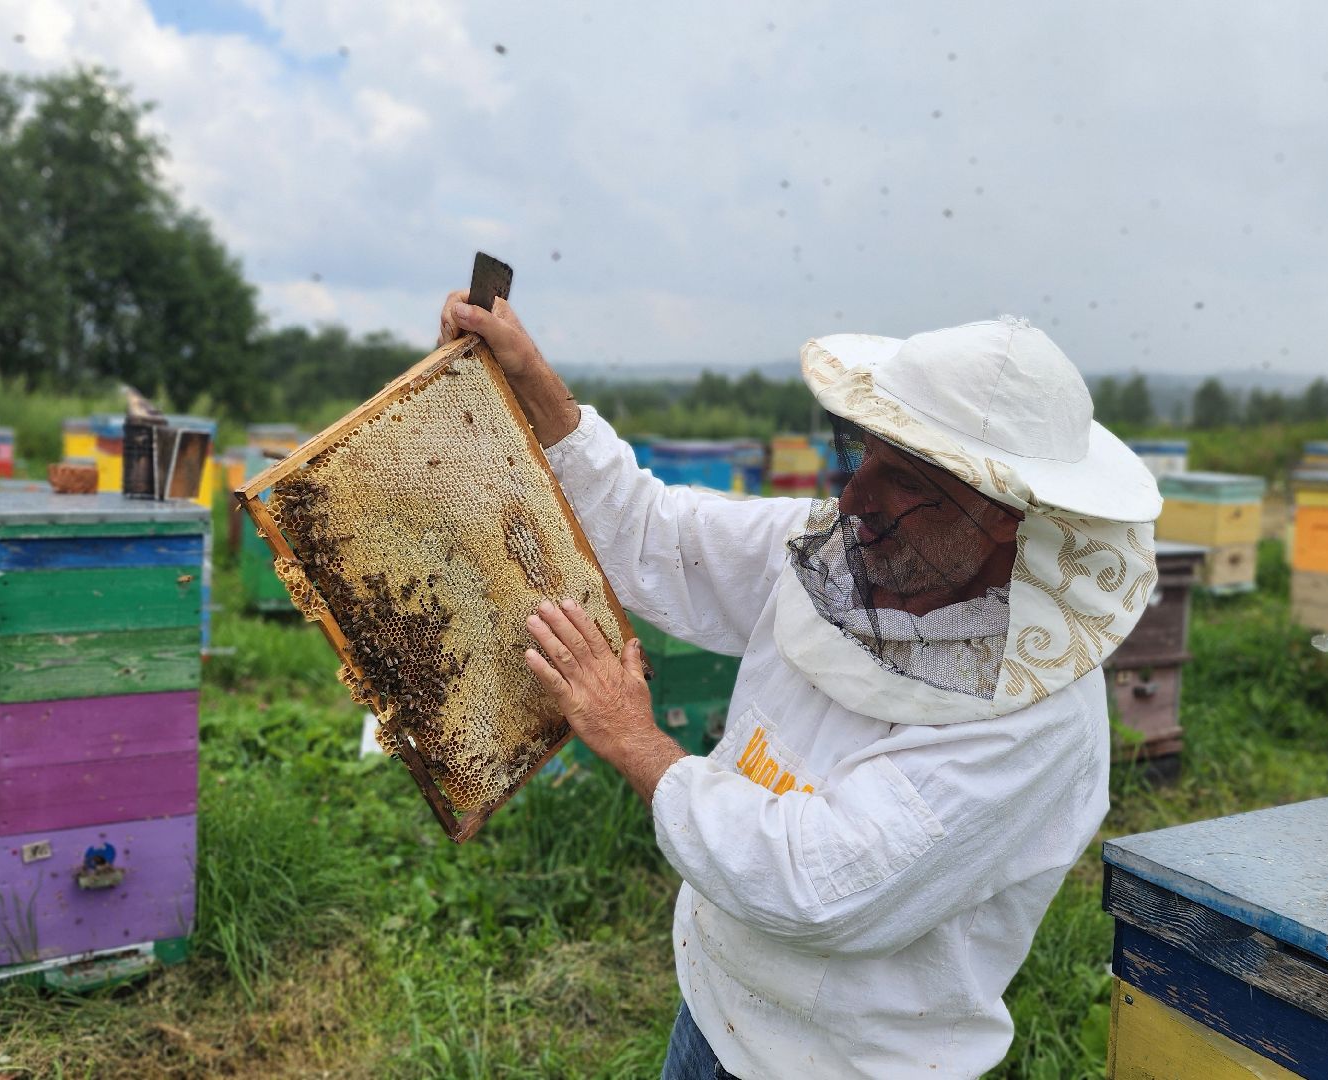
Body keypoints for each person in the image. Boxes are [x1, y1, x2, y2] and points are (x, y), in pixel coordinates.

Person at [438, 294, 1161, 1079]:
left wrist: (635, 740)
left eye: (904, 483)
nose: (854, 499)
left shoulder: (1039, 722)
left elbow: (818, 885)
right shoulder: (841, 550)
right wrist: (536, 384)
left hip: (848, 1063)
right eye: (867, 455)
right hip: (714, 1005)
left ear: (1004, 517)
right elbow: (662, 537)